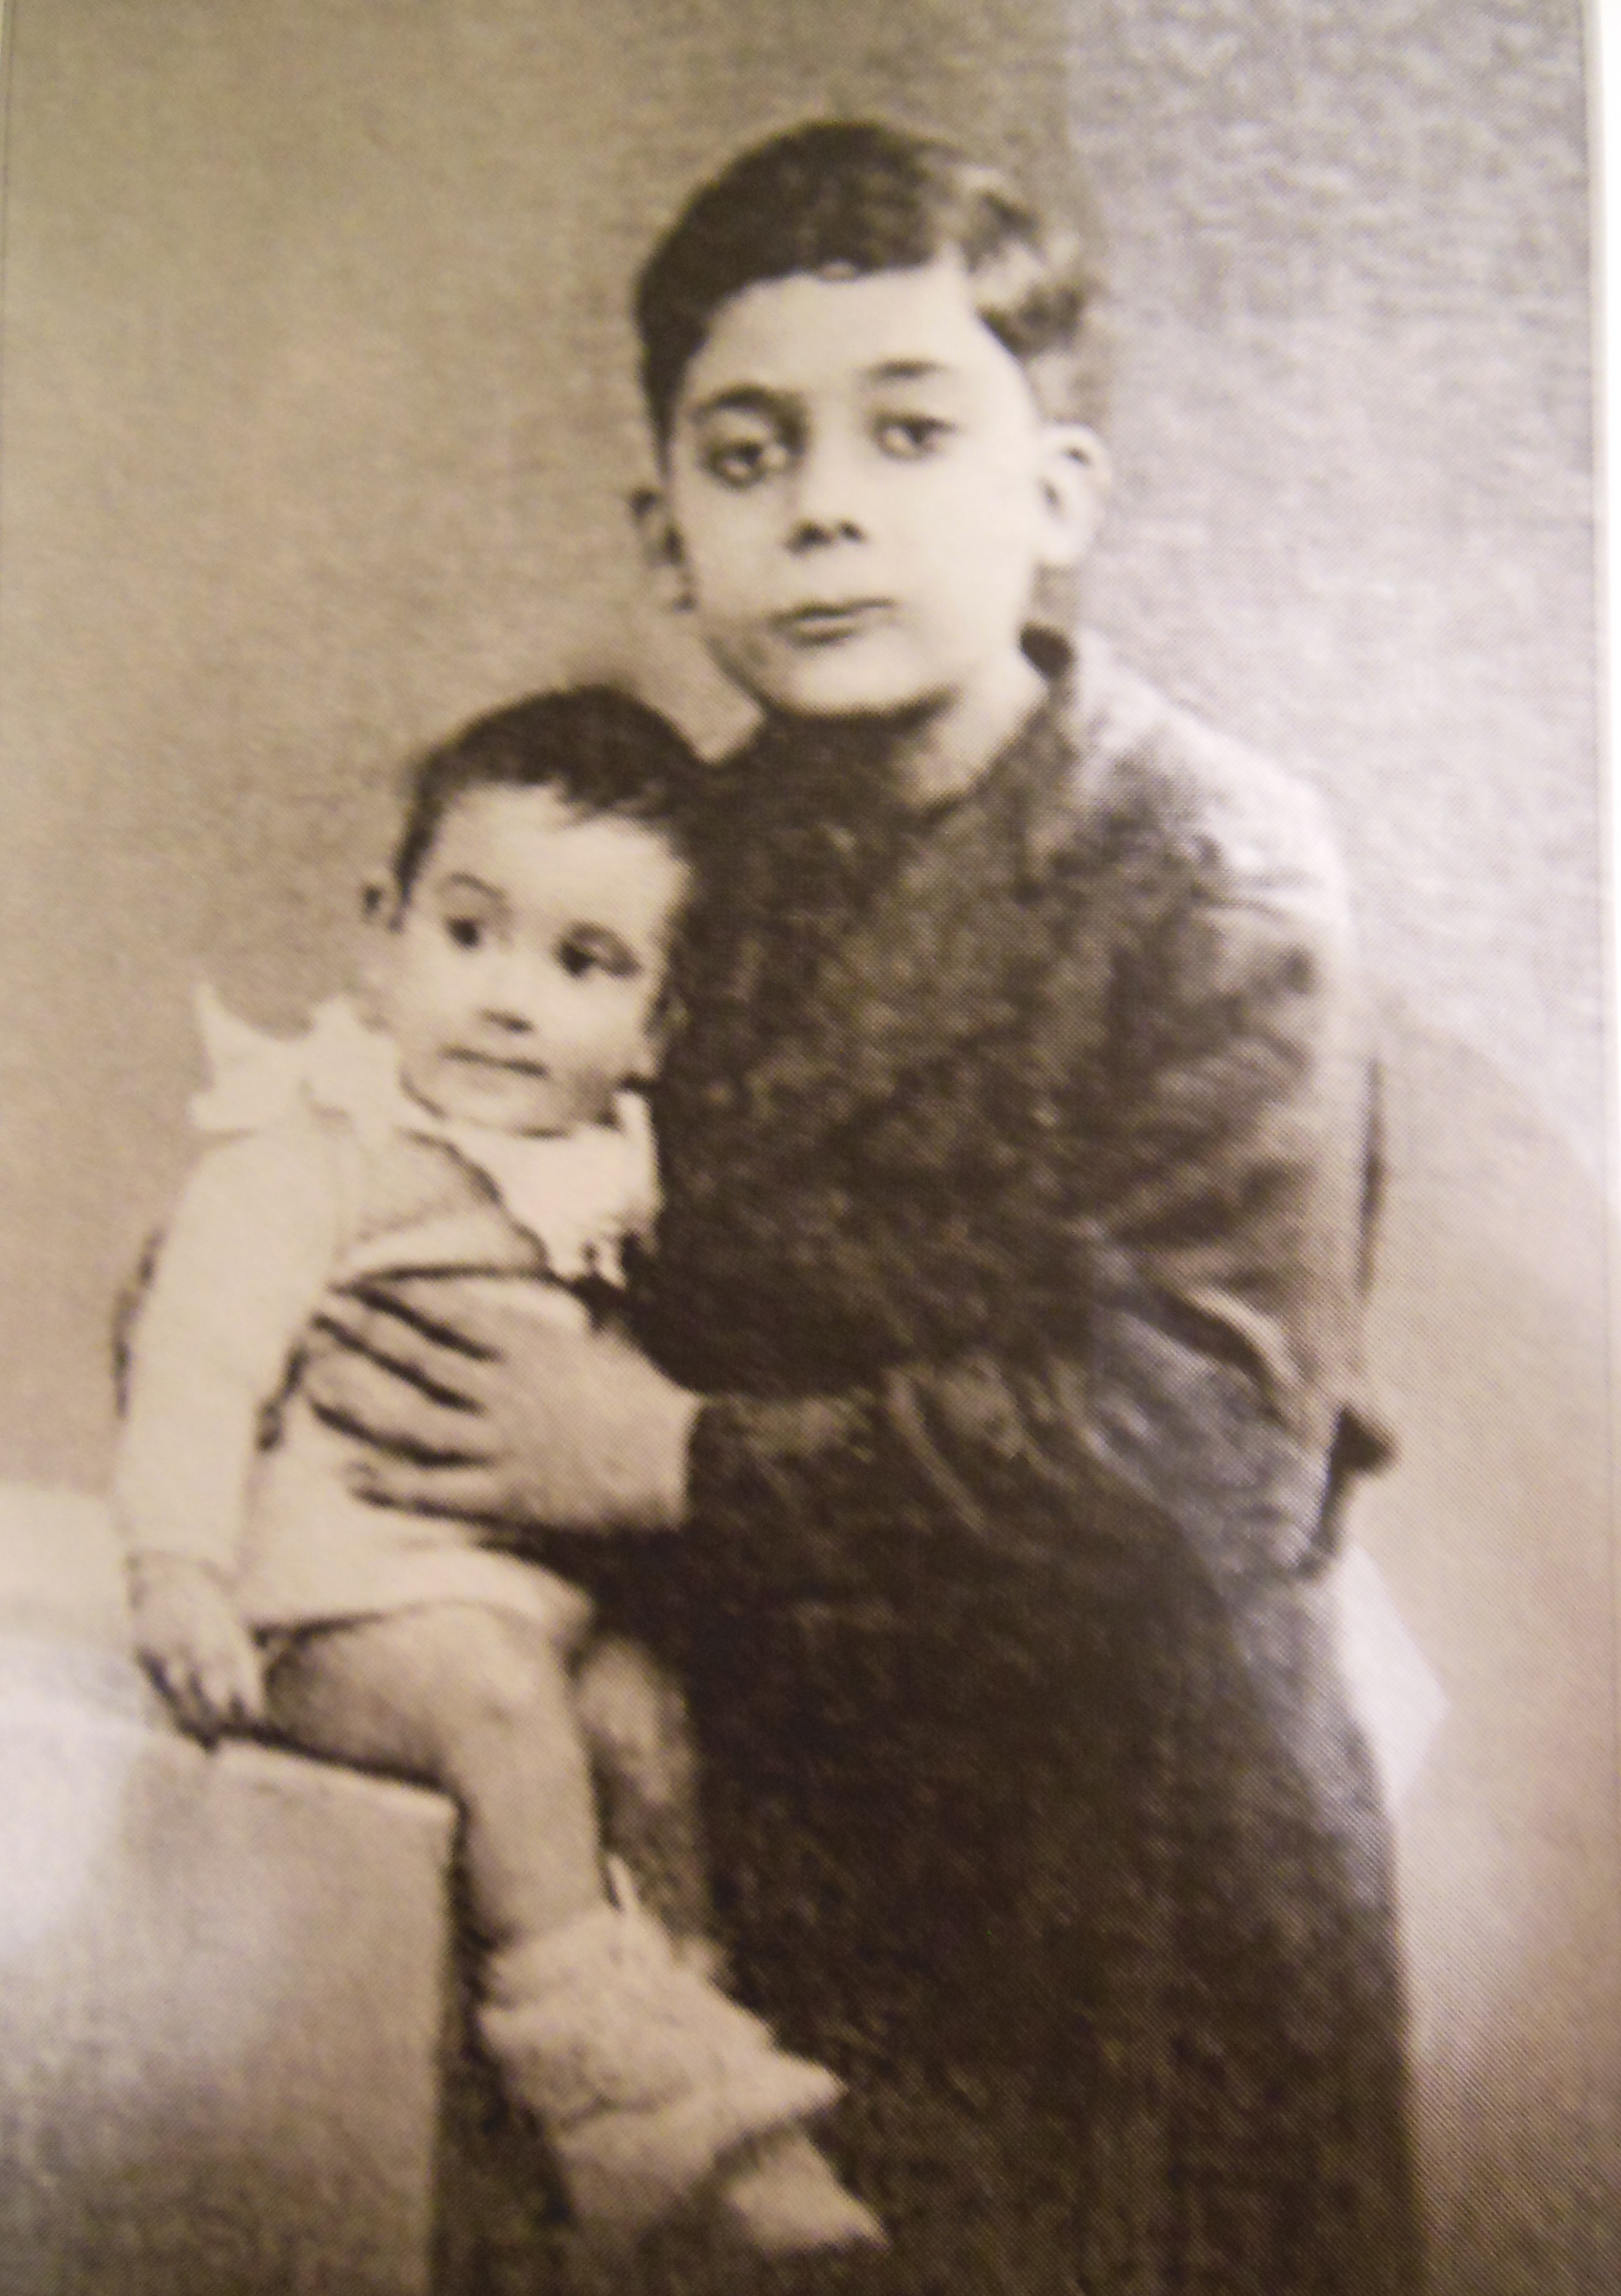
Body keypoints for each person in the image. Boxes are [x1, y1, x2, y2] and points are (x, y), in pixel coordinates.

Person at [304, 122, 1423, 2293]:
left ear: (1059, 496)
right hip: (755, 1862)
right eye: (749, 456)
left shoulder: (1214, 874)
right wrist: (307, 1298)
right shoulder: (670, 879)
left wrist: (673, 1457)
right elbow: (462, 1170)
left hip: (1134, 1915)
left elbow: (1205, 1449)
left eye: (909, 435)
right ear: (668, 539)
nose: (822, 507)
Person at [114, 685, 883, 2259]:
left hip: (519, 1605)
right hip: (324, 1616)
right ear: (382, 938)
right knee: (501, 1703)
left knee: (642, 1720)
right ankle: (623, 2109)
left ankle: (692, 2038)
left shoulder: (614, 1179)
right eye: (470, 936)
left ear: (660, 1025)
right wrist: (177, 1569)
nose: (510, 1002)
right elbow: (197, 1356)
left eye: (585, 965)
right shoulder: (317, 1149)